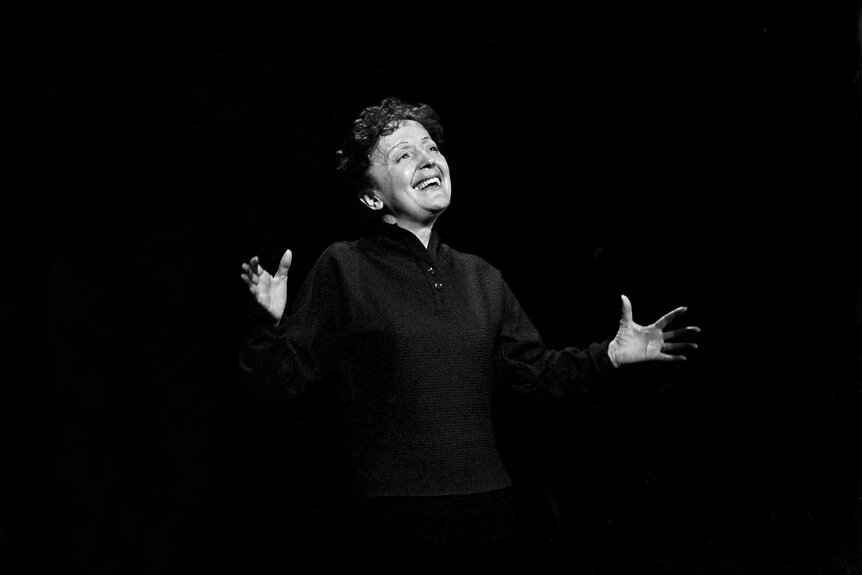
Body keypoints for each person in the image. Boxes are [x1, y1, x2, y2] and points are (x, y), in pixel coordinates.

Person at [238, 96, 700, 573]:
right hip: (391, 519)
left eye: (431, 147)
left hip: (489, 512)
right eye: (403, 155)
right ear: (372, 196)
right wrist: (267, 325)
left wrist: (611, 356)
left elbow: (537, 375)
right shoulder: (345, 266)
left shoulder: (482, 277)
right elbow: (277, 383)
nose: (427, 159)